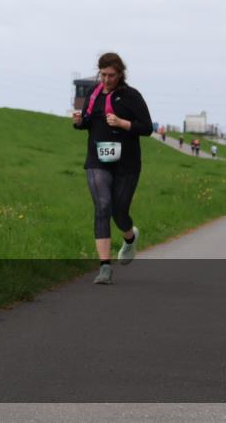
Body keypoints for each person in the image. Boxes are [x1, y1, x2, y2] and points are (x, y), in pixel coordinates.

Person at [72, 52, 153, 285]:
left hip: (127, 164)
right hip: (97, 160)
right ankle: (105, 268)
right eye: (103, 74)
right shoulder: (93, 94)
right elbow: (87, 121)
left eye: (112, 75)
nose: (107, 80)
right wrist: (79, 122)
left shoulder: (131, 96)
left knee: (119, 211)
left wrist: (121, 123)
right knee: (103, 206)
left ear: (120, 74)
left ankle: (129, 237)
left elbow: (146, 127)